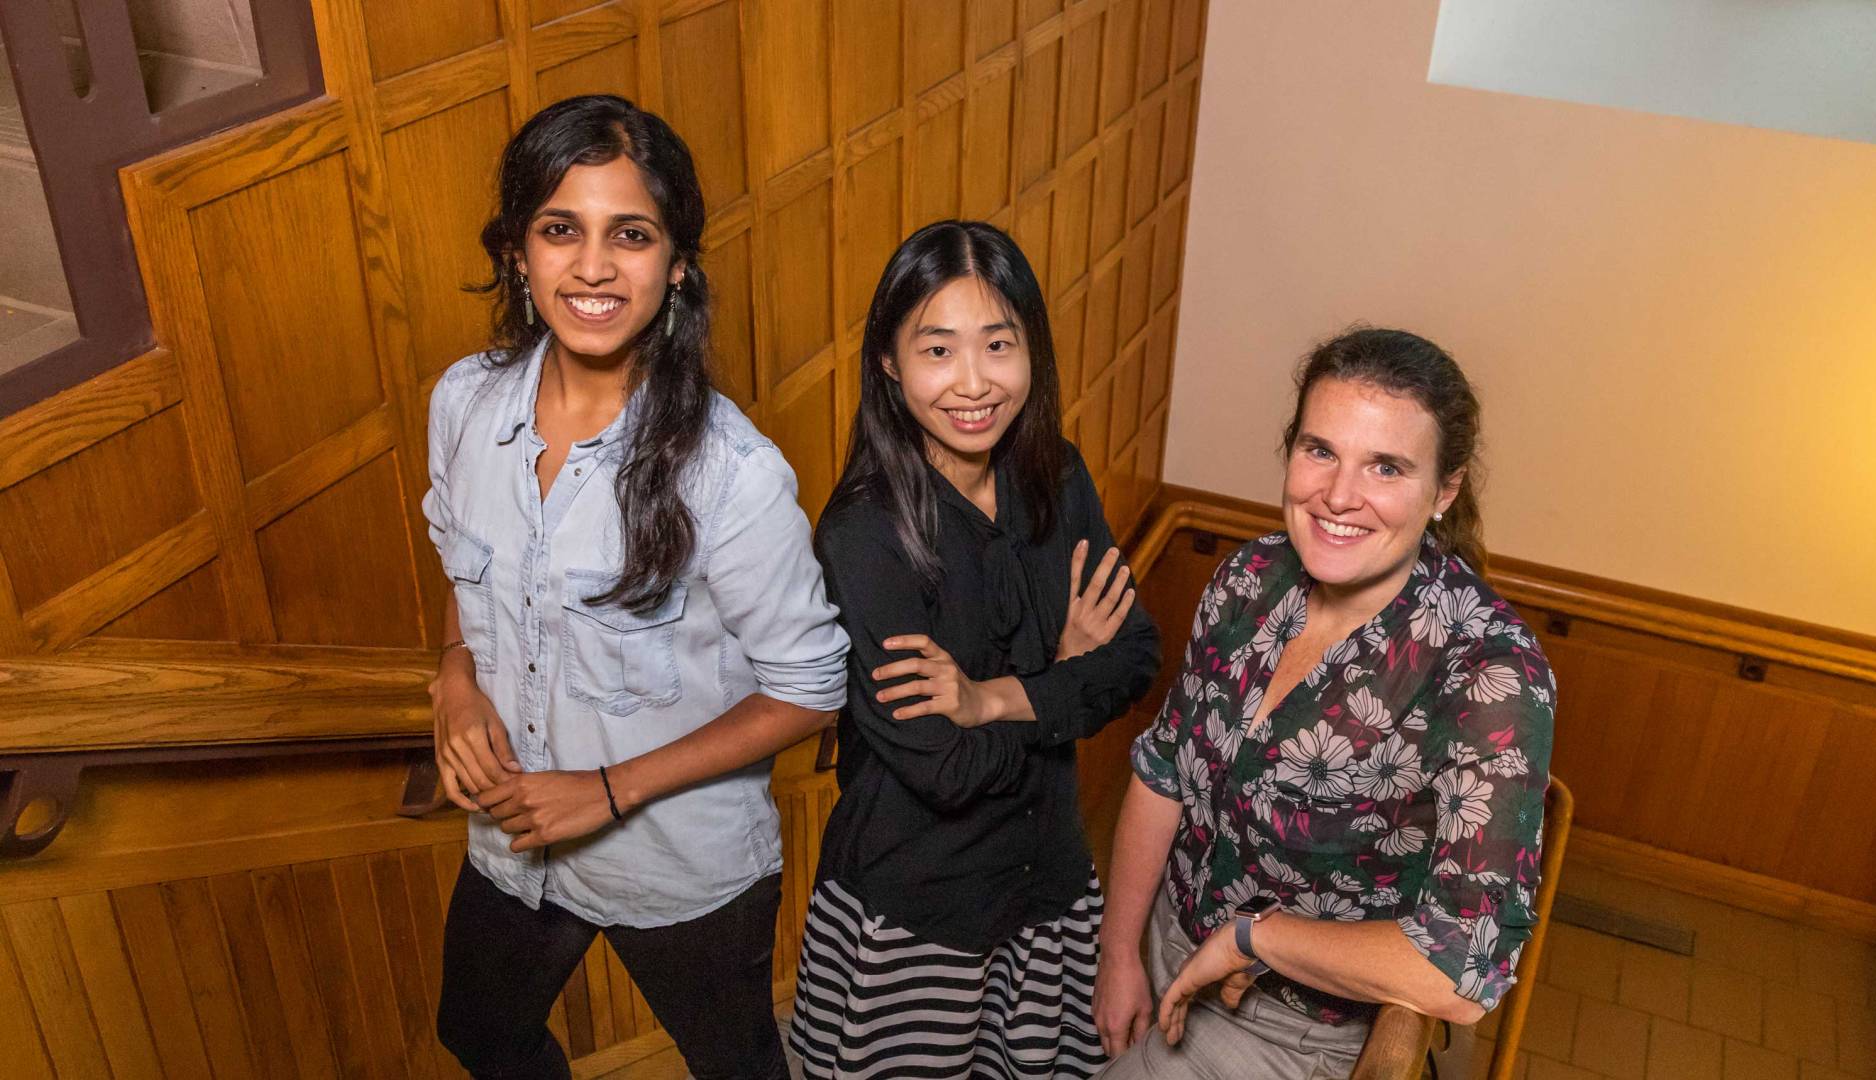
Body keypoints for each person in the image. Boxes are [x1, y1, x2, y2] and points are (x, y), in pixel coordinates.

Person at [422, 94, 848, 1080]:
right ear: (519, 253)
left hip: (679, 865)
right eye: (561, 229)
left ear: (678, 263)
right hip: (512, 839)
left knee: (735, 1068)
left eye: (633, 235)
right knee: (479, 1033)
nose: (594, 266)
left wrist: (607, 791)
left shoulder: (731, 473)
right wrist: (452, 678)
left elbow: (812, 683)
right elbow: (465, 561)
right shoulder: (463, 403)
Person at [1095, 328, 1555, 1078]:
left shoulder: (1486, 671)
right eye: (1320, 451)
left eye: (1386, 467)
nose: (1339, 496)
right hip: (1160, 936)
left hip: (1284, 1025)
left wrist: (1255, 939)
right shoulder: (1251, 578)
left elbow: (1463, 969)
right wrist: (1119, 954)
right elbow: (1165, 769)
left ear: (1444, 491)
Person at [787, 220, 1160, 1079]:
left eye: (999, 344)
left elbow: (1135, 658)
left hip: (1048, 889)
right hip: (920, 913)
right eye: (938, 350)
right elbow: (943, 771)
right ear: (889, 360)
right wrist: (1065, 680)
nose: (974, 383)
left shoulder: (1056, 477)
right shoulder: (865, 533)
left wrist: (996, 697)